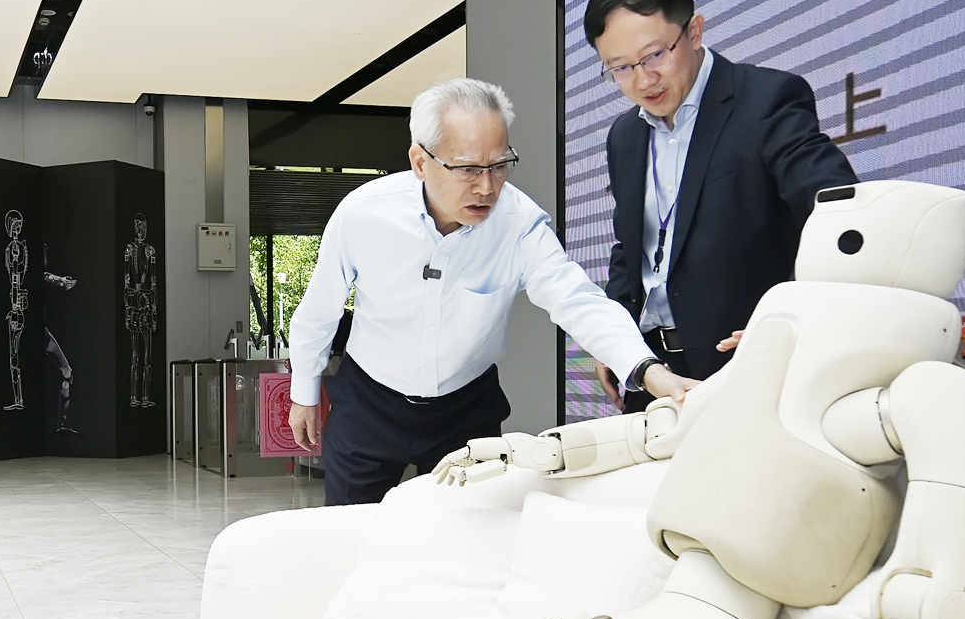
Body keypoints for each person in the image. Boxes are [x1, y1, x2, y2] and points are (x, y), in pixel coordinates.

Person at [286, 77, 692, 505]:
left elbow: (577, 300)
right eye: (467, 169)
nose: (487, 187)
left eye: (499, 165)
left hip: (464, 411)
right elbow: (320, 310)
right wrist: (304, 394)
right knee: (351, 532)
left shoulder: (519, 224)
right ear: (420, 161)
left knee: (467, 535)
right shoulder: (363, 215)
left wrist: (649, 370)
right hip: (369, 404)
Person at [586, 0, 858, 411]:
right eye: (620, 68)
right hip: (652, 374)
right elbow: (631, 250)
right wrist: (615, 339)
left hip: (746, 367)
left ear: (694, 31)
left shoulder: (765, 102)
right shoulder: (625, 136)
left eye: (655, 55)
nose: (643, 80)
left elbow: (838, 220)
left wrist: (788, 322)